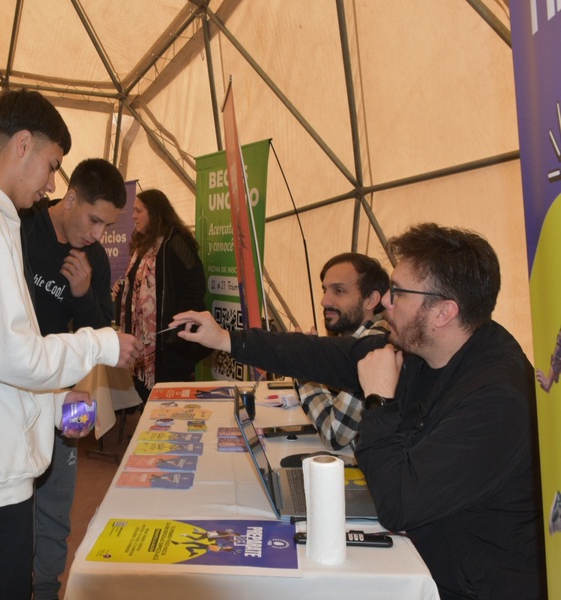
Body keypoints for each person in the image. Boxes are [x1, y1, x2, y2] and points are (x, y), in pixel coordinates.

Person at [171, 223, 546, 599]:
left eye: (398, 293)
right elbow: (325, 354)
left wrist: (378, 400)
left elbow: (399, 504)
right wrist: (228, 339)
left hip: (464, 583)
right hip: (424, 553)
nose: (386, 301)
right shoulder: (428, 346)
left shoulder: (497, 399)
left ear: (443, 312)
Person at [0, 89, 141, 599]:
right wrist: (100, 344)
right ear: (22, 145)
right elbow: (10, 356)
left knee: (37, 543)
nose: (51, 184)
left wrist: (62, 402)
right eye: (52, 166)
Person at [20, 157, 127, 600]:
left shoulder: (95, 261)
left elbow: (105, 328)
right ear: (72, 197)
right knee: (8, 505)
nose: (97, 234)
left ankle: (45, 589)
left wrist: (83, 296)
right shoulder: (23, 230)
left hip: (68, 395)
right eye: (94, 219)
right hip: (11, 392)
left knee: (56, 507)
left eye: (106, 226)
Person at [112, 188, 210, 401]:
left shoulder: (175, 241)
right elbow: (136, 286)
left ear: (155, 213)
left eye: (138, 211)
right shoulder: (141, 245)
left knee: (169, 405)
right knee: (147, 401)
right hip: (143, 350)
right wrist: (122, 291)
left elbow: (195, 283)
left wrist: (175, 326)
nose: (133, 216)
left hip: (168, 349)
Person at [296, 252, 389, 450]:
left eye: (338, 291)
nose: (324, 301)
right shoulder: (355, 338)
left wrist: (304, 365)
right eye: (324, 290)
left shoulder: (374, 345)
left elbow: (335, 434)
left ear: (371, 300)